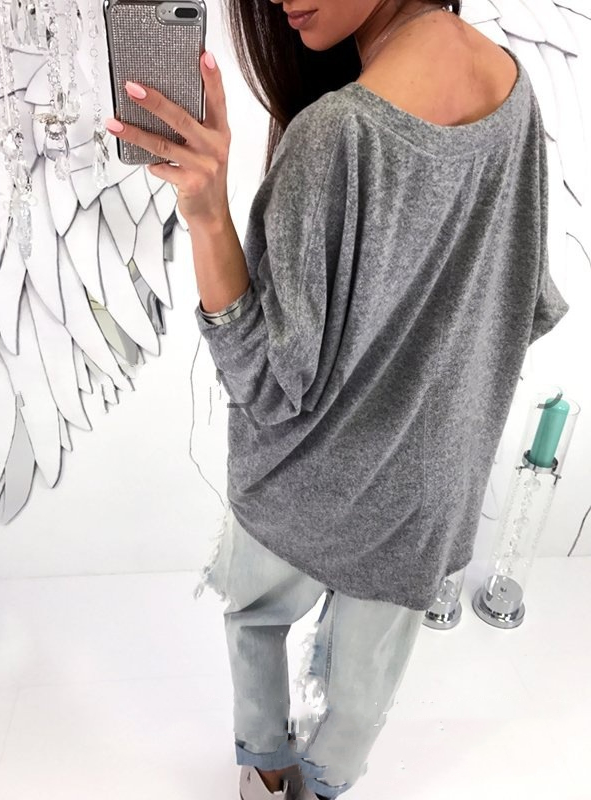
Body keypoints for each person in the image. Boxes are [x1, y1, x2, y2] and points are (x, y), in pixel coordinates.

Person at [192, 1, 570, 798]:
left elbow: (267, 382)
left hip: (301, 481)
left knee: (255, 618)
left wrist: (204, 214)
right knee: (363, 690)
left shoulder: (335, 133)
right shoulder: (514, 86)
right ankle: (323, 787)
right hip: (428, 496)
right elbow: (524, 302)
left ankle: (266, 773)